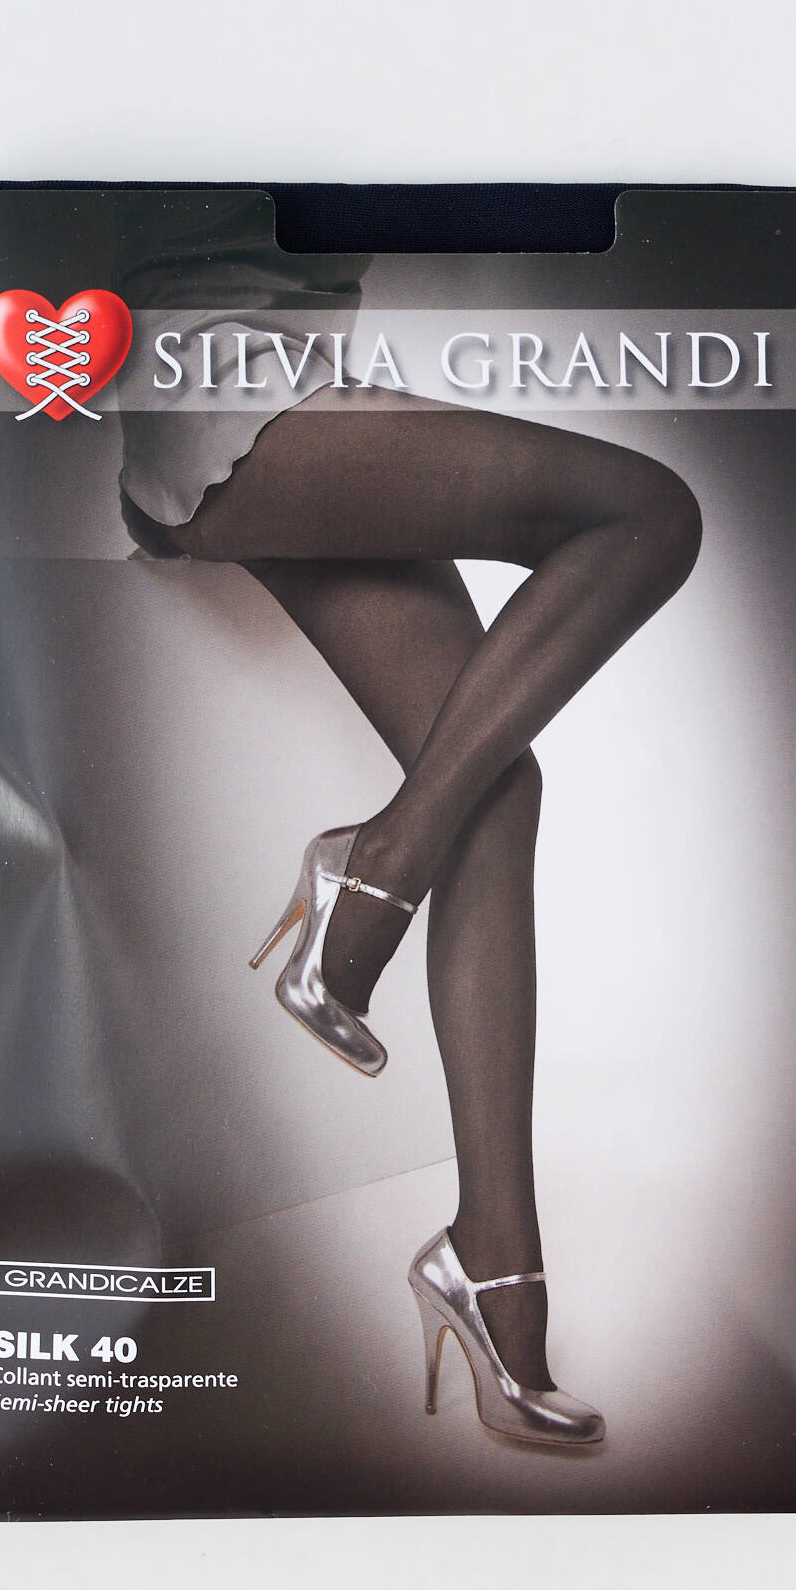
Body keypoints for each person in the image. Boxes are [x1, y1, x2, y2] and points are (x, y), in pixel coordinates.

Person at [122, 345, 701, 1448]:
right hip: (220, 400)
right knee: (649, 512)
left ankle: (492, 1266)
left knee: (491, 786)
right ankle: (377, 870)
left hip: (280, 403)